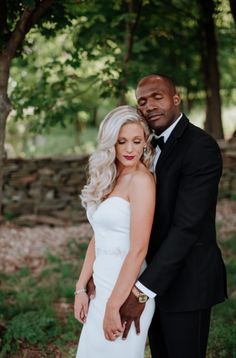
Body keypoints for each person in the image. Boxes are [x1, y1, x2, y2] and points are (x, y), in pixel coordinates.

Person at [115, 74, 227, 358]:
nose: (149, 105)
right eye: (142, 101)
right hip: (150, 276)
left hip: (187, 282)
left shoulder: (200, 147)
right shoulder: (141, 146)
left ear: (176, 100)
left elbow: (187, 227)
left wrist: (142, 290)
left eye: (157, 97)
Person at [74, 105, 156, 358]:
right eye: (122, 142)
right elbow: (99, 236)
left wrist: (114, 306)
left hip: (123, 291)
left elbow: (139, 249)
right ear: (111, 143)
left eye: (136, 141)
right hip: (100, 287)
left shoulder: (141, 181)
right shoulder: (110, 174)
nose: (130, 149)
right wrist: (80, 288)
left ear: (145, 142)